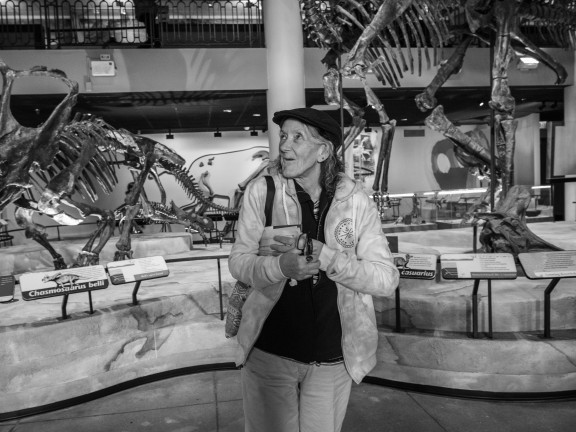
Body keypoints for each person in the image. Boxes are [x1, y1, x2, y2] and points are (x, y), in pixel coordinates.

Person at [228, 107, 400, 432]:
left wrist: (330, 259)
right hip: (269, 356)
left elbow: (386, 279)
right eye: (283, 137)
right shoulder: (261, 192)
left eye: (297, 138)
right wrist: (280, 266)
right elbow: (239, 262)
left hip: (332, 361)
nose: (284, 146)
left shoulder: (356, 201)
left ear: (323, 150)